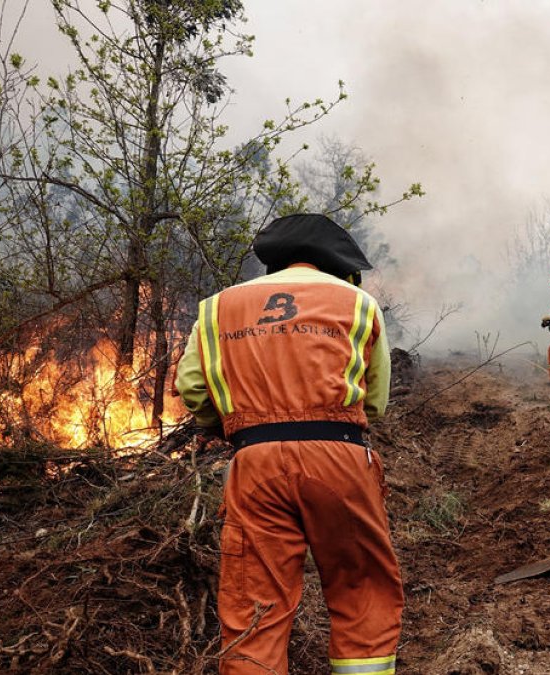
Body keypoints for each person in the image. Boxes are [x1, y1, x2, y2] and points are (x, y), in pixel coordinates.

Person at [175, 213, 403, 674]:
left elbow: (194, 388)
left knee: (253, 607)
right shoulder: (359, 304)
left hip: (255, 463)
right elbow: (375, 403)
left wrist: (237, 427)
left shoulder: (217, 307)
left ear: (273, 262)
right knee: (360, 586)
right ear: (337, 265)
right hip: (339, 457)